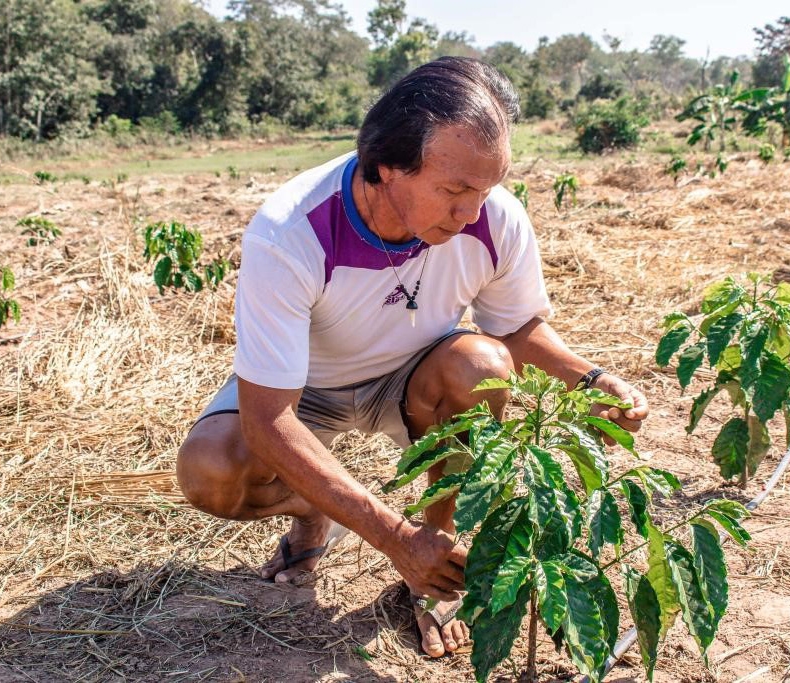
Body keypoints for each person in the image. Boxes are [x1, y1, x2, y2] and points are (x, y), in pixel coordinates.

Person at [176, 56, 649, 659]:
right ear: (385, 169)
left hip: (414, 379)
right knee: (212, 474)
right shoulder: (293, 232)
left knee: (482, 366)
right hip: (307, 389)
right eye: (453, 190)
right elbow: (270, 420)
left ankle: (437, 545)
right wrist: (390, 536)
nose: (473, 213)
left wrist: (594, 380)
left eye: (487, 188)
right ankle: (327, 514)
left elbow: (519, 327)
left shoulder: (490, 216)